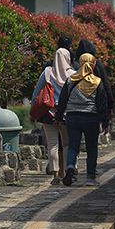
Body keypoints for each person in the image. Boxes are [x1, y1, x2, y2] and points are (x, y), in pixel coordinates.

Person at [56, 53, 111, 187]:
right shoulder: (97, 82)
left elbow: (63, 100)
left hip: (72, 117)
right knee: (91, 148)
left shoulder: (70, 80)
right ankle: (90, 178)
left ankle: (70, 167)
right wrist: (104, 122)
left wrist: (59, 116)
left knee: (73, 146)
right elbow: (102, 104)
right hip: (91, 118)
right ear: (93, 64)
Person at [31, 46, 75, 185]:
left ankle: (55, 175)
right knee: (67, 144)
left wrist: (33, 110)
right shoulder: (73, 74)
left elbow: (36, 93)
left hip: (48, 114)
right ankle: (68, 172)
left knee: (52, 145)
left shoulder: (47, 72)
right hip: (67, 114)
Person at [73, 39, 115, 113]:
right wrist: (109, 104)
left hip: (74, 109)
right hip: (93, 109)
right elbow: (106, 85)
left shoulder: (75, 65)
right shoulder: (97, 65)